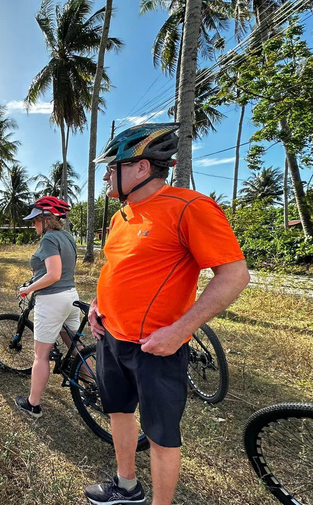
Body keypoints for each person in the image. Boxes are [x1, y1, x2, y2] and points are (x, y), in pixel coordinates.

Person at [83, 123, 250, 505]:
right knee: (119, 412)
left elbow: (234, 275)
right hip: (111, 336)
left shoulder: (189, 206)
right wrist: (98, 305)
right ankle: (126, 486)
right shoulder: (120, 216)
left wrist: (180, 330)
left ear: (141, 168)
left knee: (161, 434)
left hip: (157, 346)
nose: (107, 174)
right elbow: (117, 269)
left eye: (113, 166)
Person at [14, 196, 81, 419]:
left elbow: (54, 274)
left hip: (52, 300)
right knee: (76, 346)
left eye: (35, 220)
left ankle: (33, 405)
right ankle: (93, 383)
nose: (32, 224)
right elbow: (60, 270)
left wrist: (29, 288)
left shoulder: (49, 239)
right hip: (71, 296)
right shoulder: (67, 237)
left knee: (40, 355)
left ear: (46, 219)